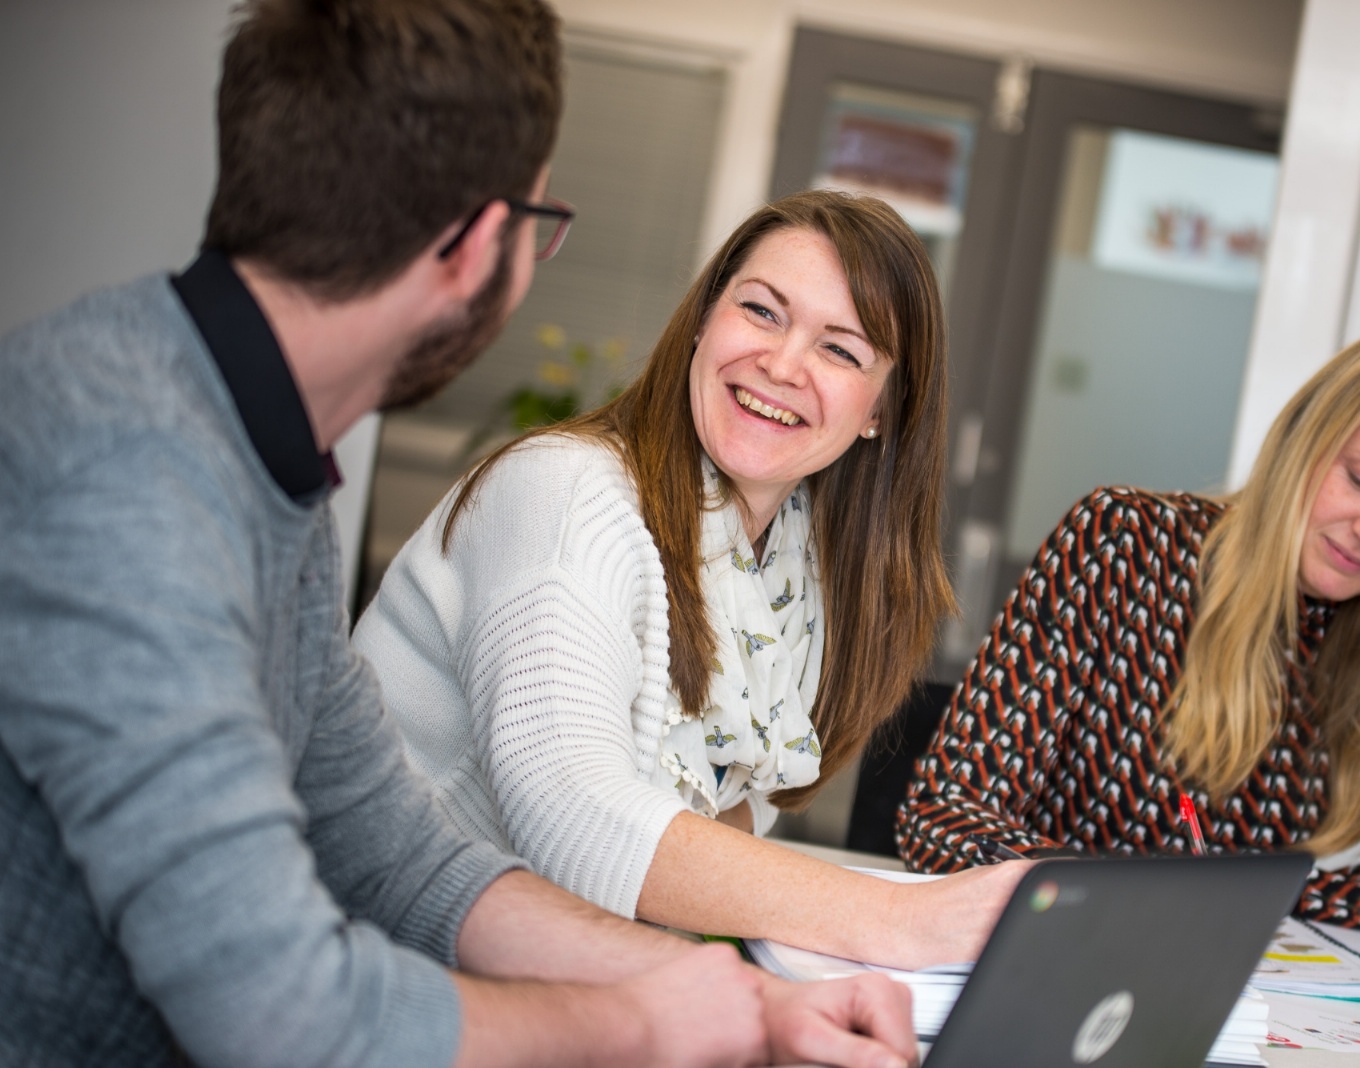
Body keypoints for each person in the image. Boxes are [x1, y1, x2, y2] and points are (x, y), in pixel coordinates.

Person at [0, 2, 918, 1066]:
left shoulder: (254, 463)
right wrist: (641, 1022)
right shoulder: (131, 474)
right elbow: (286, 1015)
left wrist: (741, 1003)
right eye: (540, 227)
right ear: (483, 243)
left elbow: (402, 860)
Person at [353, 188, 1029, 971]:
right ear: (706, 318)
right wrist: (901, 917)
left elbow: (735, 810)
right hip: (384, 973)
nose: (782, 365)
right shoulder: (566, 494)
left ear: (879, 410)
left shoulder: (794, 572)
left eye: (841, 350)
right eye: (762, 311)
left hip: (561, 979)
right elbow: (570, 814)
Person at [898, 319, 1360, 950]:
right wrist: (1147, 900)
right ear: (1305, 441)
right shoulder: (1124, 544)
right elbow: (943, 815)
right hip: (1048, 956)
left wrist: (1262, 898)